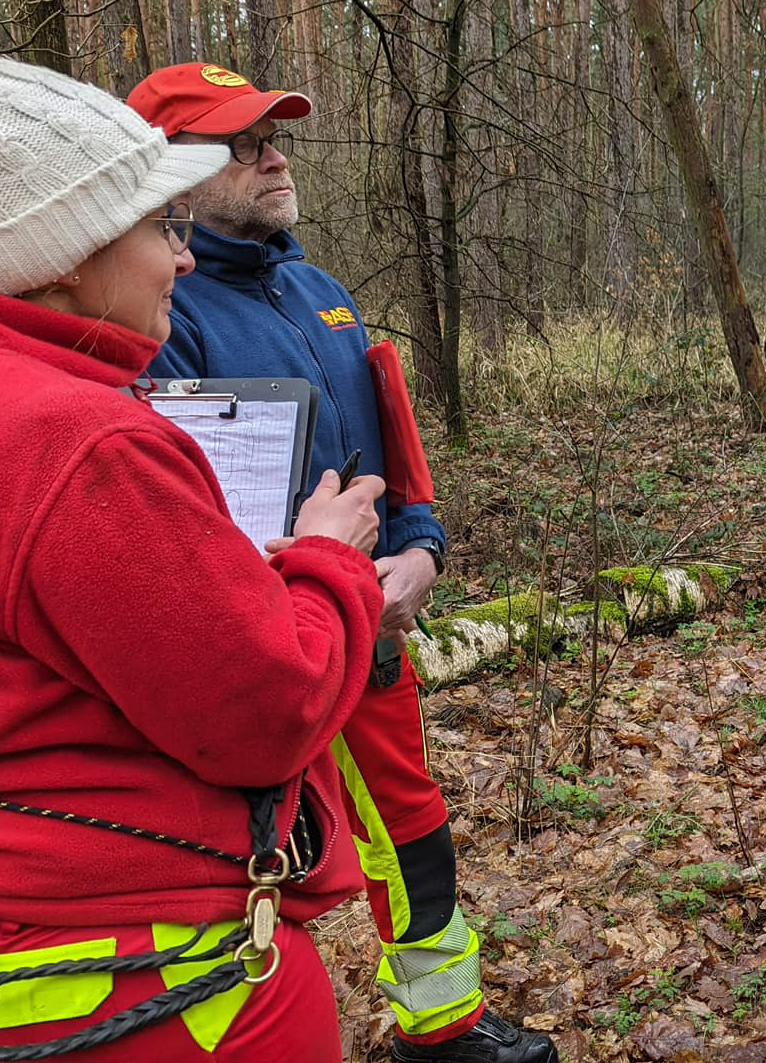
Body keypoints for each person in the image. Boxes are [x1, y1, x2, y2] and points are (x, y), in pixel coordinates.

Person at [125, 62, 557, 1063]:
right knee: (276, 855)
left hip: (367, 629)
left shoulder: (318, 290)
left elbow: (387, 440)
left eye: (276, 136)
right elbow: (180, 515)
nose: (275, 155)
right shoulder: (160, 315)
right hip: (258, 652)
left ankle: (441, 1025)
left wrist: (422, 552)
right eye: (243, 143)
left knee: (410, 823)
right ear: (173, 176)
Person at [0, 57, 385, 1060]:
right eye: (156, 227)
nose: (180, 260)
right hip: (157, 972)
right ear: (58, 260)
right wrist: (327, 561)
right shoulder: (82, 441)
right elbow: (266, 708)